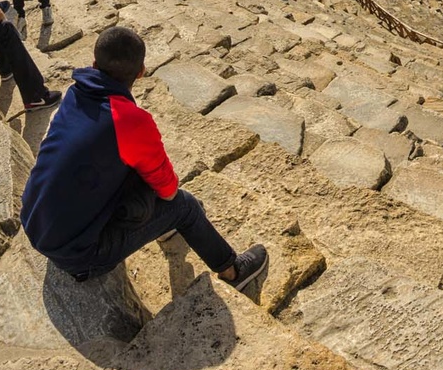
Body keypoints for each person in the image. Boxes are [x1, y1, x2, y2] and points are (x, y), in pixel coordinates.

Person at [20, 27, 267, 289]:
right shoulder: (130, 121)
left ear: (94, 64)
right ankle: (233, 271)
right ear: (141, 72)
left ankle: (164, 225)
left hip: (35, 220)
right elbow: (169, 191)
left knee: (129, 167)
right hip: (79, 256)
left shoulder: (75, 93)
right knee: (185, 206)